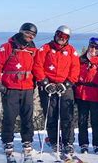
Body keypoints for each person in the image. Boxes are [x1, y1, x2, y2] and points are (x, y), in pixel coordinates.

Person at [0, 23, 38, 160]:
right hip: (10, 88)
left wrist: (38, 82)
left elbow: (37, 67)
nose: (30, 37)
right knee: (10, 117)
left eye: (33, 35)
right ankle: (7, 141)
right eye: (28, 33)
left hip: (28, 87)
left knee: (27, 117)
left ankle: (27, 141)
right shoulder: (7, 47)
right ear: (21, 32)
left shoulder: (33, 49)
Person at [33, 25, 80, 155]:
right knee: (51, 115)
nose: (61, 39)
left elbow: (75, 68)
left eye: (65, 37)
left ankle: (68, 142)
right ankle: (54, 140)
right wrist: (45, 82)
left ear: (68, 39)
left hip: (64, 87)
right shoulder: (45, 48)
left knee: (67, 116)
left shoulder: (71, 51)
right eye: (60, 35)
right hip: (48, 87)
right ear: (55, 34)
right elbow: (37, 65)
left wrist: (67, 83)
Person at [74, 37, 98, 154]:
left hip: (96, 94)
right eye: (92, 46)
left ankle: (97, 144)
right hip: (82, 93)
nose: (94, 49)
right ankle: (83, 143)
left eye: (97, 47)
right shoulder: (81, 60)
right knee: (82, 120)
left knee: (95, 120)